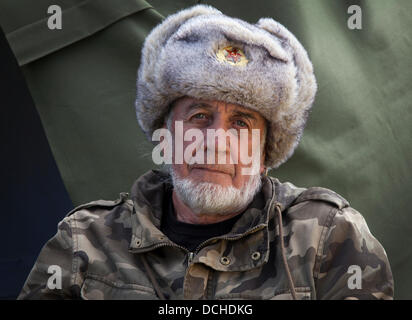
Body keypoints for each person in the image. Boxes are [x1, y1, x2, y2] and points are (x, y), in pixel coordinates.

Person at [18, 4, 393, 300]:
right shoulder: (85, 240)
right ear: (166, 135)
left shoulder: (328, 236)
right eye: (199, 116)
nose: (217, 140)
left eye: (242, 124)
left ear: (265, 154)